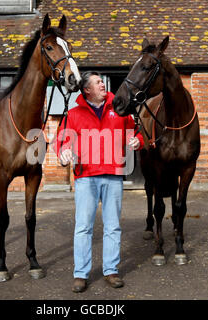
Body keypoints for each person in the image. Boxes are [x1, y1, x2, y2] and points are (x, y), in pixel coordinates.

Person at [54, 71, 144, 293]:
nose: (102, 85)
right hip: (86, 177)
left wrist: (138, 140)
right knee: (84, 226)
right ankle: (81, 274)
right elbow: (63, 139)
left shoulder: (120, 110)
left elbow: (138, 132)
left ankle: (111, 270)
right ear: (87, 90)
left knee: (113, 226)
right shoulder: (73, 114)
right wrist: (64, 151)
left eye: (102, 82)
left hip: (113, 174)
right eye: (97, 82)